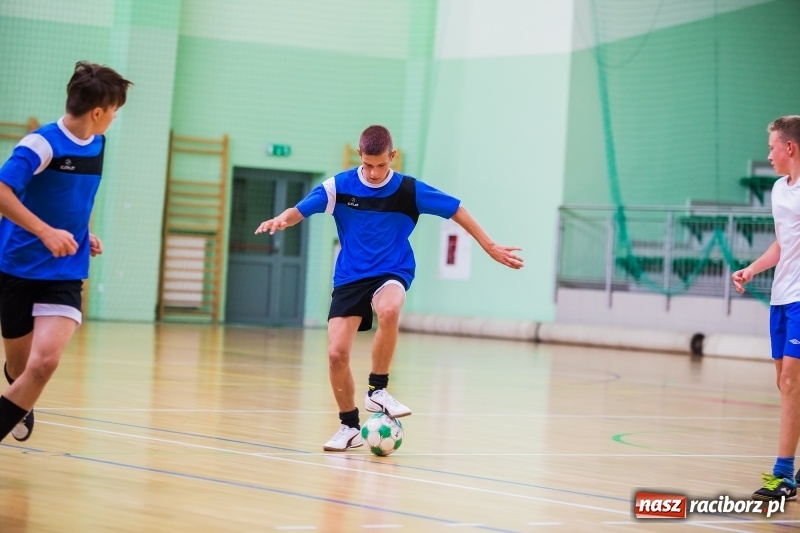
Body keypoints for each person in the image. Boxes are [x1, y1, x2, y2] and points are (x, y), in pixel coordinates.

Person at [255, 125, 524, 451]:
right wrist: (281, 220)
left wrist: (489, 245)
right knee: (336, 355)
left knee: (390, 308)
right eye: (368, 165)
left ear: (392, 157)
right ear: (360, 156)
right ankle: (349, 426)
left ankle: (377, 389)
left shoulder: (409, 191)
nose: (373, 172)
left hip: (391, 270)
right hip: (350, 276)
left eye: (381, 165)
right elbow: (299, 210)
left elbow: (456, 210)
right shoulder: (339, 187)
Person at [0, 61, 133, 443]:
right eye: (114, 111)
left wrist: (82, 232)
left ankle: (18, 398)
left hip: (64, 271)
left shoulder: (99, 144)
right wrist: (44, 231)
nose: (113, 118)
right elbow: (2, 191)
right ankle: (18, 394)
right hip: (17, 266)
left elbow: (80, 197)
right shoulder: (40, 144)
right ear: (97, 112)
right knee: (21, 367)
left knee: (43, 365)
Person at [732, 115, 800, 501]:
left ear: (789, 147)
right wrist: (752, 269)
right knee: (786, 384)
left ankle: (782, 477)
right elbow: (782, 244)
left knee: (791, 382)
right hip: (781, 296)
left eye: (772, 146)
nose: (768, 154)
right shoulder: (778, 190)